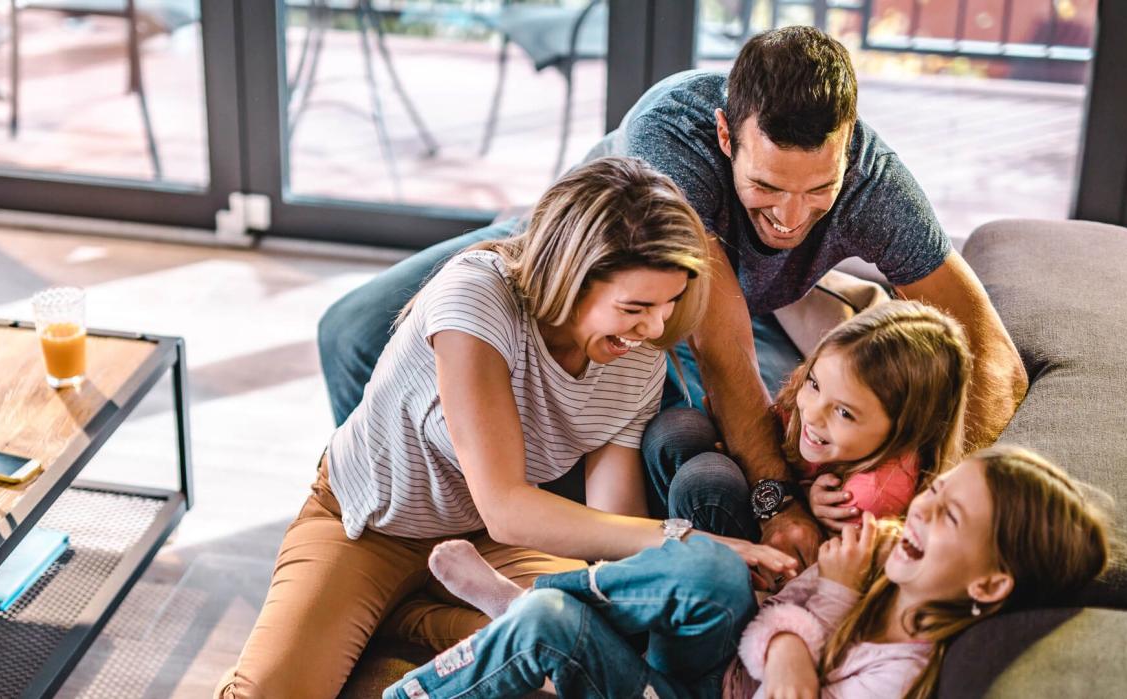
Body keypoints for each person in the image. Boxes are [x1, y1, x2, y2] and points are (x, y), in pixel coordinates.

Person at [318, 26, 1028, 573]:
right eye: (768, 188)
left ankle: (504, 533)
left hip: (709, 306)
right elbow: (720, 352)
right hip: (579, 256)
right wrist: (776, 503)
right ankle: (400, 533)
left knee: (699, 420)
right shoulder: (674, 133)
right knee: (351, 330)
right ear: (726, 137)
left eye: (819, 190)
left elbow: (994, 355)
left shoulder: (876, 185)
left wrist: (927, 490)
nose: (790, 216)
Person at [216, 157, 797, 699]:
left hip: (490, 545)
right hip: (371, 524)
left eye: (669, 304)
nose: (657, 325)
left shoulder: (636, 354)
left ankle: (407, 614)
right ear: (573, 276)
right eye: (636, 306)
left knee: (584, 643)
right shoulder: (476, 296)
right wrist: (687, 541)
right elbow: (507, 505)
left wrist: (667, 577)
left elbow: (609, 521)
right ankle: (400, 614)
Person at [386, 445, 1109, 699]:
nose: (921, 509)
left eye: (949, 517)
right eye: (937, 490)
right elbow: (768, 623)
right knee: (711, 566)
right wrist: (803, 605)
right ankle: (538, 594)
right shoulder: (883, 565)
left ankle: (528, 609)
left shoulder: (902, 674)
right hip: (708, 667)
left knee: (547, 628)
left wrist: (825, 600)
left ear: (987, 584)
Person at [776, 300, 972, 533]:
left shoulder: (871, 496)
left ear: (906, 429)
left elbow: (811, 563)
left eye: (844, 413)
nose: (812, 413)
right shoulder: (831, 380)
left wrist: (804, 504)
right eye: (814, 384)